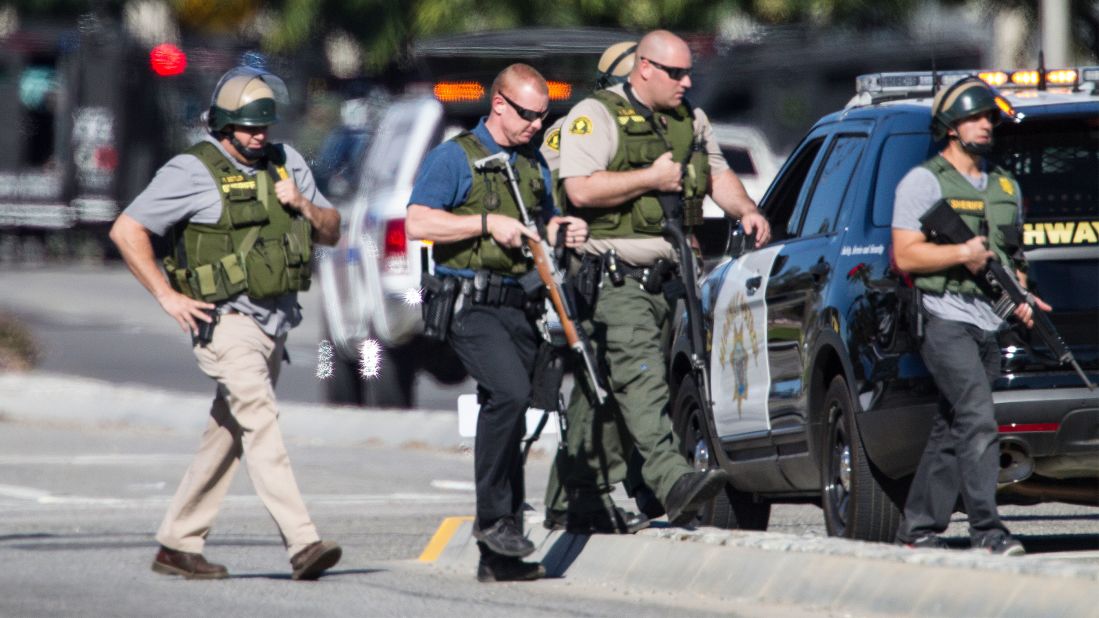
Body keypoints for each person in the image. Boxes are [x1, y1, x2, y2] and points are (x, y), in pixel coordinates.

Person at [110, 66, 343, 580]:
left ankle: (177, 543)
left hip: (275, 321)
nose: (259, 137)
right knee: (260, 419)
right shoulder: (191, 171)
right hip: (224, 319)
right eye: (248, 128)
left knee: (229, 432)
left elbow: (332, 231)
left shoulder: (288, 163)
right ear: (220, 124)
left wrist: (303, 204)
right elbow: (127, 229)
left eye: (265, 127)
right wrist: (167, 296)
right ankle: (302, 542)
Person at [555, 30, 771, 528]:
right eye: (676, 73)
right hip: (615, 276)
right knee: (645, 380)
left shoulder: (690, 119)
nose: (687, 82)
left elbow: (716, 173)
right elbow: (580, 189)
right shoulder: (597, 115)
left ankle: (573, 496)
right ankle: (673, 480)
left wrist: (746, 211)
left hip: (671, 278)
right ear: (645, 69)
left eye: (688, 72)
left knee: (607, 390)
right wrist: (648, 179)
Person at [405, 63, 589, 582]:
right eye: (528, 114)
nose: (536, 124)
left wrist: (562, 227)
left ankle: (500, 556)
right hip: (469, 303)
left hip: (520, 306)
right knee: (506, 393)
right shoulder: (456, 158)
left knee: (516, 408)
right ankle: (493, 520)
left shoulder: (532, 163)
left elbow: (543, 218)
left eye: (543, 116)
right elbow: (418, 220)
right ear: (500, 104)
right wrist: (486, 223)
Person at [891, 76, 1047, 556]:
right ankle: (988, 530)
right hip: (943, 317)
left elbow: (1012, 258)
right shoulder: (924, 182)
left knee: (951, 424)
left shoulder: (1004, 185)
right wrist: (961, 252)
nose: (986, 125)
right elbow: (906, 257)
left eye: (989, 118)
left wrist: (1023, 293)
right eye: (975, 117)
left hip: (988, 321)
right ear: (950, 126)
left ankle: (917, 529)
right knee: (979, 416)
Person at [541, 40, 659, 534]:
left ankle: (581, 494)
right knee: (606, 385)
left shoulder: (656, 123)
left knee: (609, 388)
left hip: (635, 272)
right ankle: (583, 495)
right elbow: (551, 198)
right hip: (587, 273)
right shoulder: (578, 127)